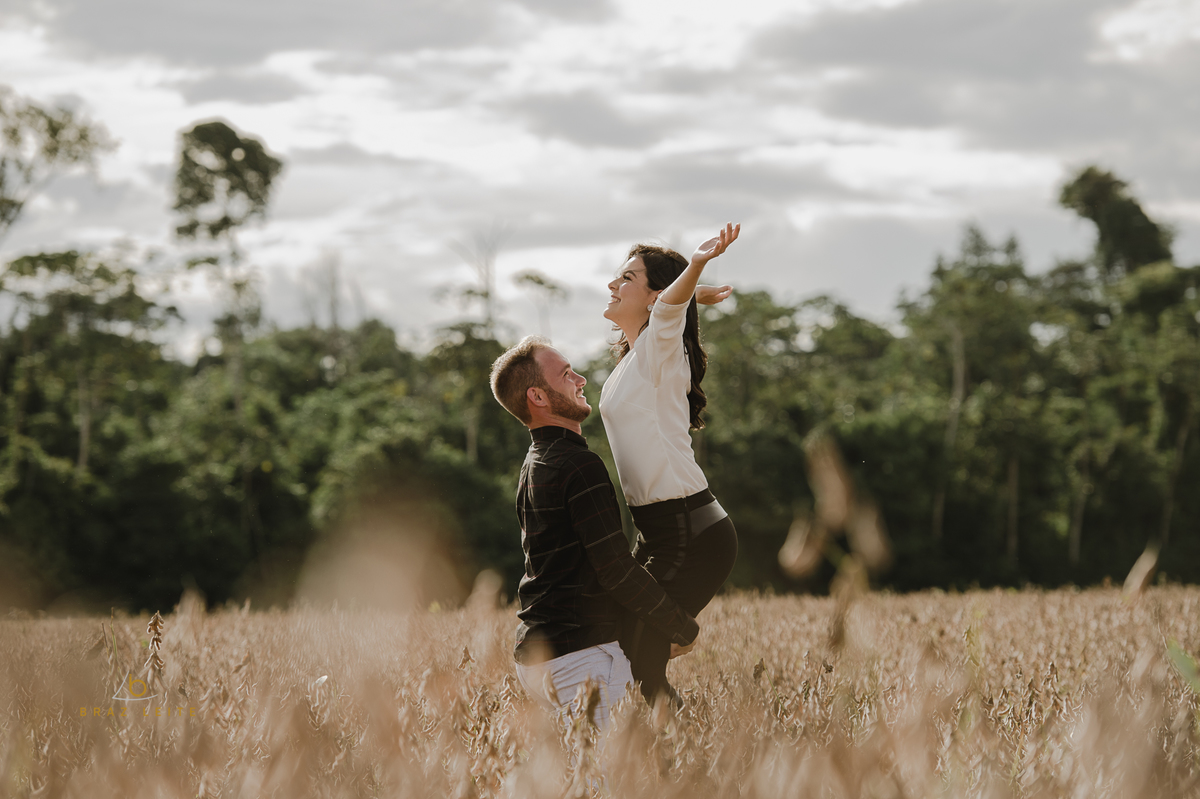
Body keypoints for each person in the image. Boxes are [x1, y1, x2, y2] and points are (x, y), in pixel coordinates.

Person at [489, 336, 700, 730]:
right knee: (609, 784)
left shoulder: (535, 462)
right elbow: (615, 567)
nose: (581, 378)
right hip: (580, 657)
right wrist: (679, 624)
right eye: (566, 374)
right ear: (538, 396)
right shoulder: (577, 464)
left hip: (545, 654)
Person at [599, 222, 741, 706]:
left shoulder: (661, 347)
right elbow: (666, 307)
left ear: (655, 297)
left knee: (642, 653)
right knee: (621, 640)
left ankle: (683, 764)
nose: (613, 285)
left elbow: (666, 311)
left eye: (626, 279)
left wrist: (696, 265)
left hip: (690, 529)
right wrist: (688, 294)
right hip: (659, 530)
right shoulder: (637, 358)